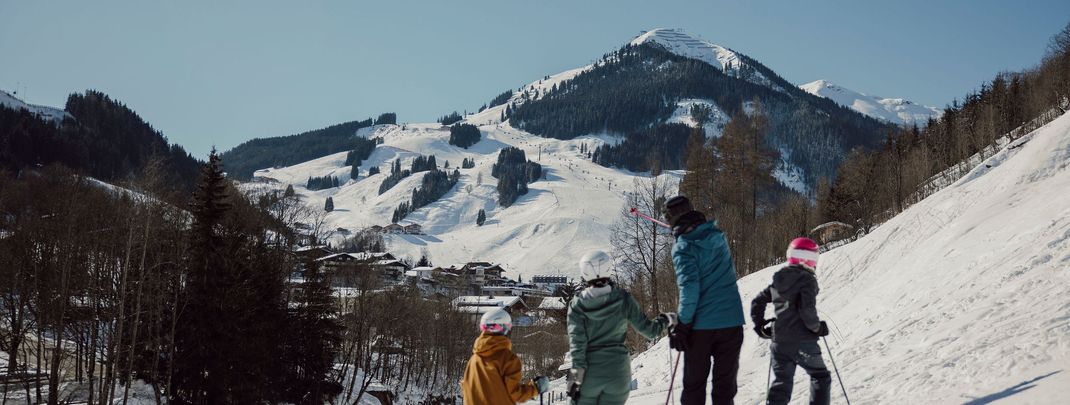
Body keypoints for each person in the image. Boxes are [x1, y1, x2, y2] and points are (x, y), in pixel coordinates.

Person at [663, 195, 745, 405]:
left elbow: (689, 289)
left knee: (694, 387)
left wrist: (682, 326)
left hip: (702, 328)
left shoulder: (683, 248)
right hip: (732, 322)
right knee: (724, 389)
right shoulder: (719, 237)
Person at [566, 250, 675, 405]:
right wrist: (666, 320)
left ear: (585, 272)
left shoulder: (577, 305)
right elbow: (650, 331)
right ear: (607, 268)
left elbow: (577, 344)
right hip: (618, 374)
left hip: (590, 374)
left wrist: (575, 378)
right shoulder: (623, 298)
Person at [750, 237, 832, 405]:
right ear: (809, 258)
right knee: (820, 377)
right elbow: (806, 310)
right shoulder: (807, 279)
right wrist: (817, 328)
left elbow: (757, 301)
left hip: (780, 342)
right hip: (804, 341)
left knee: (782, 384)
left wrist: (760, 325)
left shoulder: (779, 280)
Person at [461, 308, 550, 405]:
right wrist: (535, 388)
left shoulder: (474, 360)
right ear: (504, 329)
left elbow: (467, 389)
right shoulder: (508, 359)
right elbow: (515, 393)